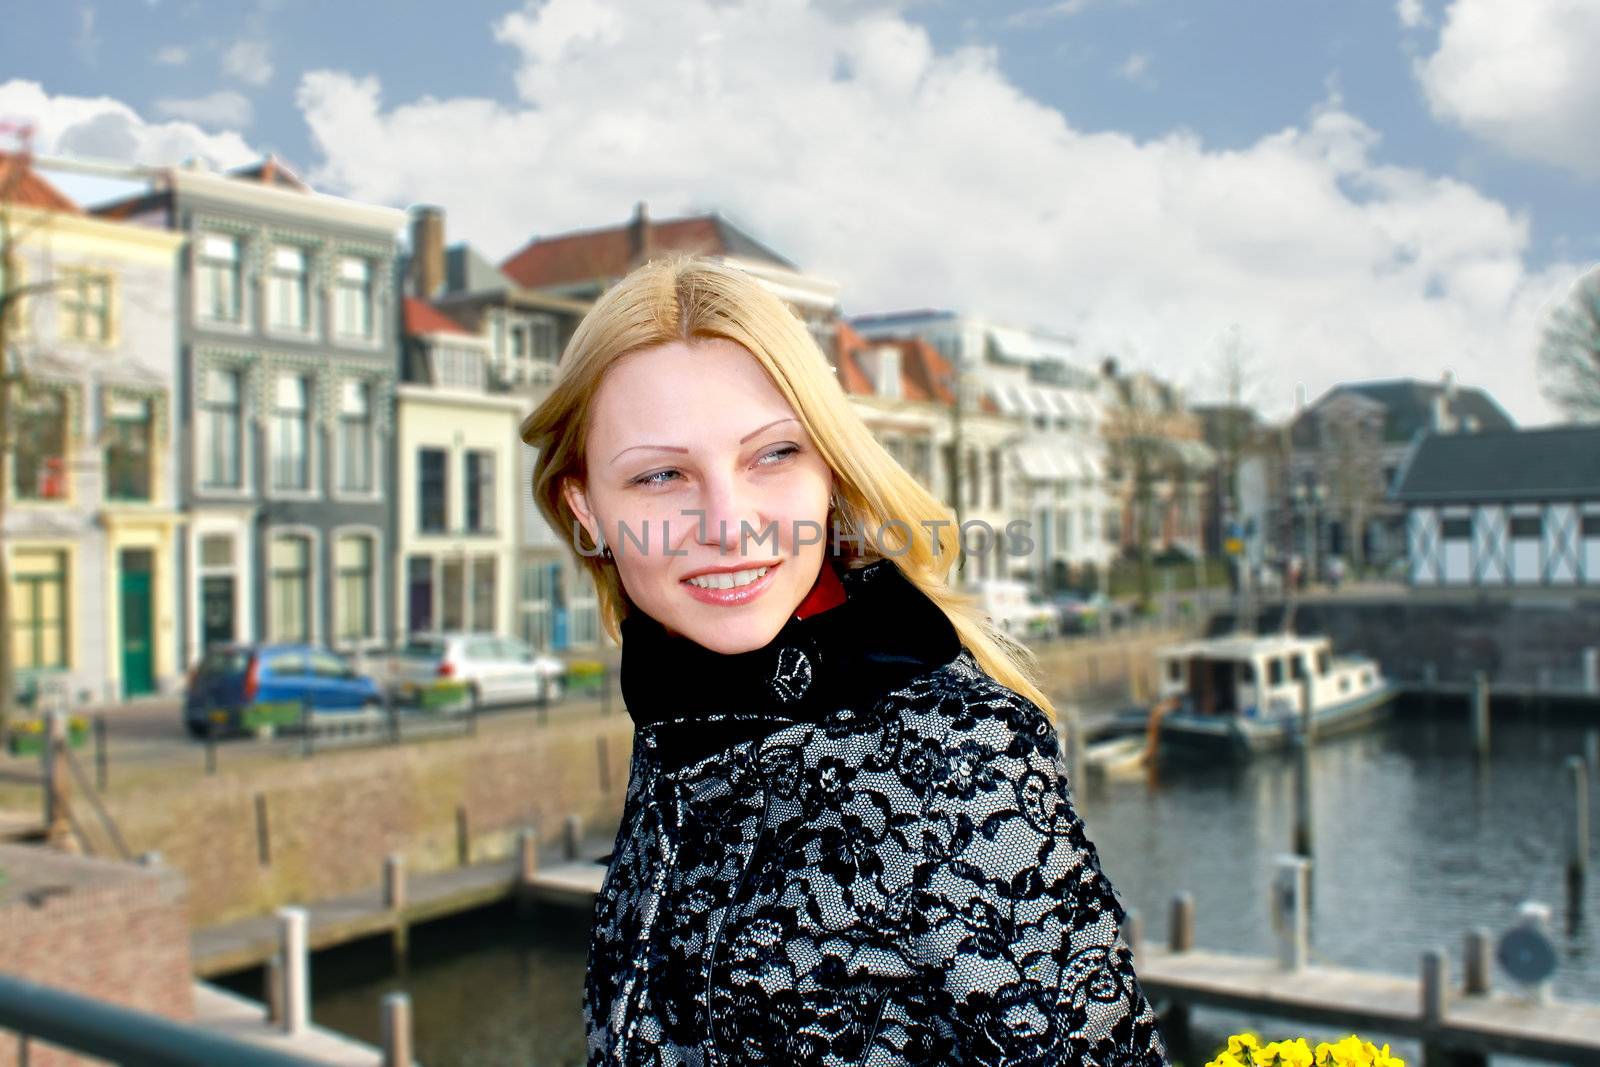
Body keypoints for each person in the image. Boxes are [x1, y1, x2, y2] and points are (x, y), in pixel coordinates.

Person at [521, 254, 1170, 1066]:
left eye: (772, 455)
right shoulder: (678, 719)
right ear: (587, 509)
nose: (729, 523)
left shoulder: (954, 757)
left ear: (830, 468)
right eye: (660, 474)